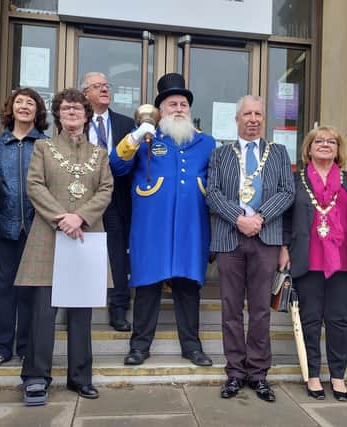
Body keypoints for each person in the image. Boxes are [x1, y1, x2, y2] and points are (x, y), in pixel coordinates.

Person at [15, 88, 113, 406]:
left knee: (81, 314)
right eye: (66, 108)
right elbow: (34, 185)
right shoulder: (43, 148)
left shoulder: (99, 154)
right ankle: (36, 378)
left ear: (87, 115)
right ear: (58, 114)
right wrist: (62, 218)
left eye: (78, 108)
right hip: (48, 236)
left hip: (85, 238)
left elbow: (106, 188)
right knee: (43, 312)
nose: (72, 112)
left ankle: (80, 377)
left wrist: (80, 217)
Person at [110, 73, 215, 367]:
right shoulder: (144, 138)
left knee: (187, 287)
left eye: (183, 104)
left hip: (191, 226)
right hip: (150, 226)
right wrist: (134, 136)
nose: (179, 109)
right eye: (172, 104)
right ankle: (139, 346)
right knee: (147, 285)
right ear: (160, 111)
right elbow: (116, 167)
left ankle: (192, 347)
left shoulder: (206, 143)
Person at [206, 95, 294, 402]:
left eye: (258, 113)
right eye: (247, 114)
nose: (253, 119)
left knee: (260, 311)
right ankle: (234, 373)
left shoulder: (280, 153)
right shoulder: (220, 154)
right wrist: (239, 218)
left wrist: (260, 218)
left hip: (266, 238)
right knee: (231, 309)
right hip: (230, 238)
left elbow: (287, 192)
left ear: (263, 119)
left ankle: (258, 374)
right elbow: (212, 193)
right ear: (238, 119)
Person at [282, 126, 347, 401]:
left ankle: (338, 376)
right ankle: (313, 374)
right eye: (319, 141)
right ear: (309, 148)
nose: (325, 145)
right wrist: (283, 248)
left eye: (332, 141)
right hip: (308, 258)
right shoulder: (296, 179)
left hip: (342, 260)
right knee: (311, 320)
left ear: (339, 149)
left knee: (339, 321)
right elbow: (286, 218)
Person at [0, 88, 49, 370]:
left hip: (37, 229)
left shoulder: (47, 144)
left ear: (38, 111)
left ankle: (26, 347)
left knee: (30, 292)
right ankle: (0, 347)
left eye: (30, 103)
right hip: (2, 229)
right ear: (11, 108)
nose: (24, 107)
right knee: (2, 289)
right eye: (19, 102)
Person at [81, 72, 135, 332]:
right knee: (81, 252)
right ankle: (77, 311)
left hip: (116, 200)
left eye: (106, 85)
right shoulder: (75, 123)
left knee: (117, 257)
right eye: (97, 86)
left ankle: (119, 310)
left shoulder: (126, 124)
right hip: (82, 200)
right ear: (85, 94)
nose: (104, 89)